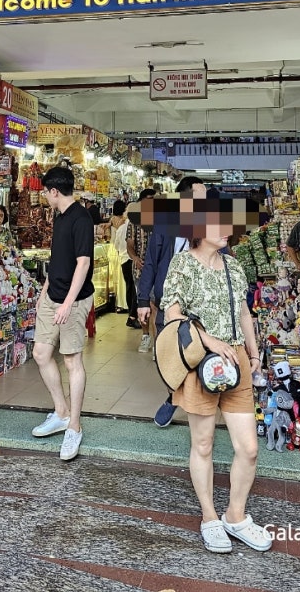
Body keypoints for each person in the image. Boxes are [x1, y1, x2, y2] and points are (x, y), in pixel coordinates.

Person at [162, 211, 271, 554]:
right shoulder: (183, 264)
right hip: (202, 362)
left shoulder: (233, 267)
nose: (227, 230)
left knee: (249, 448)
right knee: (203, 443)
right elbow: (172, 314)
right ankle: (209, 516)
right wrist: (209, 340)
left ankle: (235, 516)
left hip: (236, 361)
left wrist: (254, 354)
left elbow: (244, 313)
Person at [32, 166, 94, 462]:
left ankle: (74, 426)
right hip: (52, 295)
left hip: (75, 300)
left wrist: (68, 302)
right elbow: (58, 258)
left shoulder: (81, 218)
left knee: (72, 360)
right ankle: (61, 412)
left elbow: (83, 263)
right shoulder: (59, 217)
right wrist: (44, 291)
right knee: (41, 353)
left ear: (54, 191)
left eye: (46, 192)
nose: (44, 196)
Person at [137, 176, 207, 427]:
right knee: (169, 355)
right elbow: (150, 263)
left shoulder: (209, 227)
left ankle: (185, 400)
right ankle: (174, 396)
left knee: (198, 351)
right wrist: (143, 299)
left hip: (199, 303)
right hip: (167, 301)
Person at [126, 188, 157, 351]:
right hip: (141, 270)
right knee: (143, 303)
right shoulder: (134, 221)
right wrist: (135, 258)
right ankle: (146, 336)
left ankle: (157, 341)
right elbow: (130, 244)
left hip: (158, 270)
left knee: (155, 305)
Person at [108, 199, 136, 323]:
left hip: (123, 258)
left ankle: (129, 311)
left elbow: (117, 245)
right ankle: (133, 314)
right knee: (134, 288)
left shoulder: (120, 227)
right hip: (134, 260)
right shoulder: (137, 227)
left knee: (127, 286)